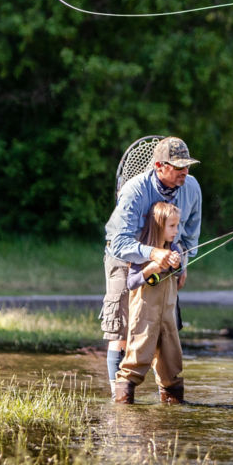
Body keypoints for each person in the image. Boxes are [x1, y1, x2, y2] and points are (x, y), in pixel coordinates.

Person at [100, 136, 201, 397]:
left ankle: (167, 398)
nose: (185, 172)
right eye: (178, 167)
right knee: (122, 330)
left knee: (164, 329)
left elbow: (190, 235)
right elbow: (120, 242)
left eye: (187, 166)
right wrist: (152, 254)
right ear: (159, 166)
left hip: (168, 259)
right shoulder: (135, 190)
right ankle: (119, 400)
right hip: (124, 257)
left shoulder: (191, 187)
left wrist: (183, 264)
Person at [114, 201, 185, 404]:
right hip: (144, 318)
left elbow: (179, 274)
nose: (176, 230)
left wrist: (178, 265)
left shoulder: (175, 249)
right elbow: (131, 282)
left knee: (171, 364)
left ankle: (174, 407)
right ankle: (123, 407)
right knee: (136, 360)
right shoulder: (141, 253)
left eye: (177, 225)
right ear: (158, 226)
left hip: (168, 320)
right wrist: (151, 268)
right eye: (171, 226)